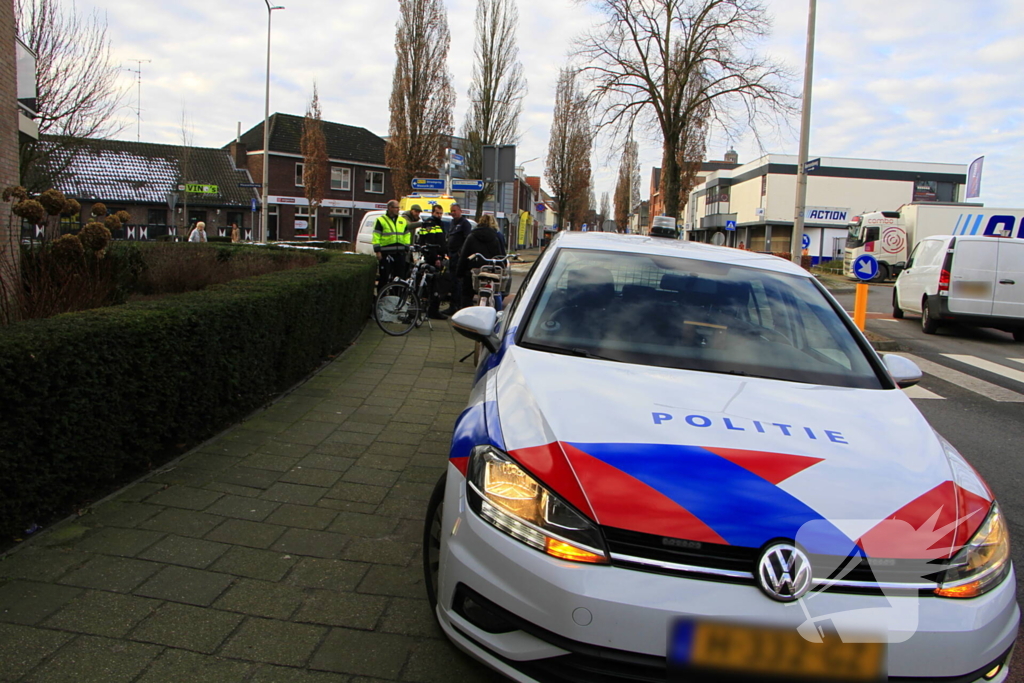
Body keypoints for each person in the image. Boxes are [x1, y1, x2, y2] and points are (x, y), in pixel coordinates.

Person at [458, 214, 506, 309]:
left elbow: (464, 255)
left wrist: (459, 272)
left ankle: (466, 315)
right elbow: (499, 255)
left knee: (466, 294)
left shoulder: (472, 236)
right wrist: (502, 266)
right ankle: (497, 316)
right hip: (490, 270)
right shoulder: (495, 237)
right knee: (496, 292)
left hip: (473, 270)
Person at [417, 204, 448, 319]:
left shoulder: (439, 223)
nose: (439, 215)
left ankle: (430, 309)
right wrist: (437, 258)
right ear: (432, 213)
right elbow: (431, 244)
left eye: (441, 213)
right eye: (437, 213)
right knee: (435, 285)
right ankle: (433, 310)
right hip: (433, 258)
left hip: (436, 257)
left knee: (433, 285)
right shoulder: (431, 224)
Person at [373, 200, 412, 288]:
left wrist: (406, 247)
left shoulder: (402, 220)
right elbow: (376, 236)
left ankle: (396, 298)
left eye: (398, 208)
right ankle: (382, 298)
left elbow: (407, 234)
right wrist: (377, 251)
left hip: (399, 253)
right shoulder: (381, 220)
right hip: (386, 253)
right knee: (384, 277)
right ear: (390, 208)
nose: (398, 209)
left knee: (399, 278)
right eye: (396, 207)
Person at [443, 203, 473, 315]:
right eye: (451, 211)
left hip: (458, 257)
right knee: (452, 282)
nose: (453, 213)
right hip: (451, 256)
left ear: (460, 211)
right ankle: (453, 305)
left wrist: (460, 254)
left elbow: (466, 240)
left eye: (455, 210)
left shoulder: (465, 224)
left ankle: (456, 306)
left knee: (457, 282)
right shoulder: (452, 223)